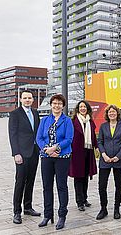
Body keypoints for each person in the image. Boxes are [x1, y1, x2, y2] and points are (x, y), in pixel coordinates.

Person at [36, 94, 74, 230]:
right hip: (46, 156)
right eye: (54, 103)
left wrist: (56, 147)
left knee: (61, 186)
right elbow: (39, 138)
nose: (56, 105)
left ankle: (62, 215)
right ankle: (47, 215)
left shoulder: (67, 121)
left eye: (59, 103)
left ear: (63, 106)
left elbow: (69, 139)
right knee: (47, 186)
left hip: (62, 157)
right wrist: (47, 149)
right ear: (51, 105)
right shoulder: (44, 120)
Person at [8, 90, 41, 224]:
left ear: (33, 100)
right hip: (21, 153)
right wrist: (16, 153)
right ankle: (17, 211)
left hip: (34, 152)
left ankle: (28, 207)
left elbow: (38, 132)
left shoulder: (35, 113)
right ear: (20, 100)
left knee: (31, 180)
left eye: (29, 98)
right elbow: (12, 134)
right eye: (25, 98)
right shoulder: (15, 114)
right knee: (20, 182)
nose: (27, 100)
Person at [96, 105, 121, 220]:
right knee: (102, 186)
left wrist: (118, 156)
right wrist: (103, 154)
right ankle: (103, 209)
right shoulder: (103, 126)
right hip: (105, 160)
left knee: (119, 185)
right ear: (107, 114)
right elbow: (99, 141)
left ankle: (116, 209)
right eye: (110, 112)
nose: (112, 114)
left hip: (118, 160)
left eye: (114, 112)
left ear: (117, 113)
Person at [68, 100, 98, 211]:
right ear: (78, 109)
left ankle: (85, 199)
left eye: (84, 107)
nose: (82, 108)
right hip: (76, 153)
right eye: (80, 107)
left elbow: (93, 136)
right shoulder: (73, 121)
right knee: (78, 178)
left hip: (88, 152)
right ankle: (79, 202)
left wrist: (97, 147)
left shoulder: (90, 121)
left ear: (87, 108)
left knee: (86, 176)